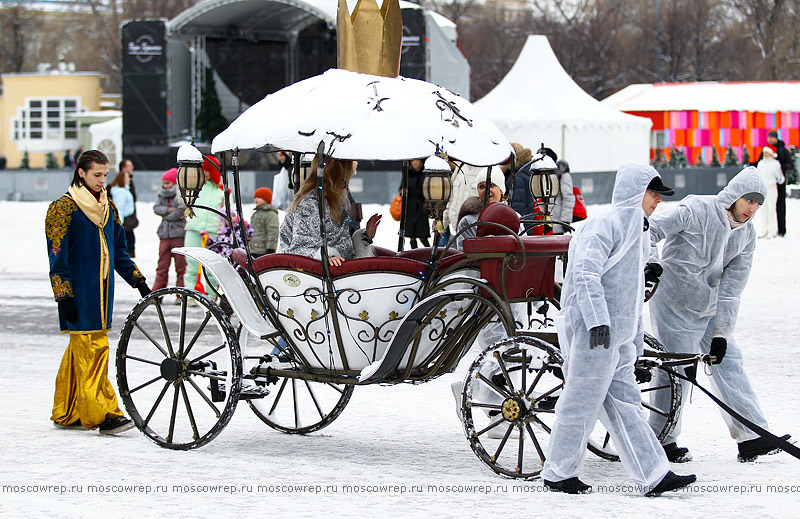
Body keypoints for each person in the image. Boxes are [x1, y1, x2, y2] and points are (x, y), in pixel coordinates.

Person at [541, 163, 695, 496]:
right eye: (653, 192)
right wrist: (597, 320)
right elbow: (584, 274)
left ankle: (653, 474)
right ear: (634, 191)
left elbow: (632, 290)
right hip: (592, 332)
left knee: (627, 406)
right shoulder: (603, 225)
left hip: (619, 337)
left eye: (659, 195)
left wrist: (635, 341)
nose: (657, 200)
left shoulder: (639, 231)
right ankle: (558, 472)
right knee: (580, 401)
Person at [646, 166, 776, 463]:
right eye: (748, 201)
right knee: (675, 370)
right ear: (734, 195)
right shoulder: (696, 209)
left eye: (758, 204)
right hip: (674, 304)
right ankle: (662, 439)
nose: (752, 209)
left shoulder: (747, 235)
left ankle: (752, 435)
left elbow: (731, 289)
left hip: (710, 307)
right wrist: (652, 265)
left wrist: (721, 335)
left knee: (729, 361)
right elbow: (650, 230)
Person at [45, 149, 151, 435]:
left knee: (80, 351)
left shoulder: (108, 207)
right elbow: (57, 257)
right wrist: (63, 296)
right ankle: (103, 414)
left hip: (102, 293)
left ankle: (66, 411)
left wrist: (137, 280)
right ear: (81, 173)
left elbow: (118, 252)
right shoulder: (62, 208)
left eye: (105, 175)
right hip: (77, 293)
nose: (103, 180)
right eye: (97, 175)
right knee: (94, 350)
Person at [279, 157, 380, 266]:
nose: (347, 185)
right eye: (344, 180)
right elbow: (301, 247)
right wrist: (326, 256)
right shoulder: (311, 204)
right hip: (315, 274)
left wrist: (365, 236)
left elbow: (342, 242)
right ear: (334, 178)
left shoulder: (334, 202)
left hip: (340, 270)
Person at [183, 156, 225, 299]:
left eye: (208, 170)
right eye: (203, 170)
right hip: (194, 228)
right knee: (191, 264)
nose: (205, 173)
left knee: (211, 266)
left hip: (213, 230)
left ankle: (212, 295)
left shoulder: (222, 191)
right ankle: (189, 295)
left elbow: (227, 211)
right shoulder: (194, 187)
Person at [152, 168, 186, 293]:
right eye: (164, 183)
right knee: (162, 265)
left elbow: (180, 211)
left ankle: (181, 292)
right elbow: (156, 208)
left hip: (178, 235)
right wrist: (169, 211)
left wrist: (165, 214)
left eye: (168, 183)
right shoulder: (161, 195)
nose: (165, 186)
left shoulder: (181, 195)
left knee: (181, 266)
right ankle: (158, 291)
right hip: (164, 235)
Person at [455, 166, 505, 249]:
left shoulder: (515, 217)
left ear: (501, 190)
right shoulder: (468, 221)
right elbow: (463, 253)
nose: (487, 190)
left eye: (492, 185)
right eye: (481, 187)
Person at [756, 131, 792, 236]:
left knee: (779, 207)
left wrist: (782, 167)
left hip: (777, 184)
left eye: (772, 137)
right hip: (766, 185)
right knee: (765, 208)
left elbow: (789, 164)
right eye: (769, 137)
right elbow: (759, 163)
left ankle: (781, 230)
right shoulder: (764, 156)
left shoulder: (782, 150)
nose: (770, 140)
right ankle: (766, 229)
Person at [754, 146, 784, 238]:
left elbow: (781, 178)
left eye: (767, 153)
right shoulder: (761, 164)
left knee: (771, 210)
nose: (765, 154)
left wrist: (778, 180)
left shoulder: (775, 164)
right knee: (763, 210)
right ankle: (764, 230)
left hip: (771, 189)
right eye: (764, 153)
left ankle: (772, 231)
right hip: (762, 190)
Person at [402, 159, 431, 249]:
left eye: (417, 161)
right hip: (410, 207)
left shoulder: (425, 174)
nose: (415, 163)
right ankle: (414, 254)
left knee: (423, 235)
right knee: (412, 235)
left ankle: (429, 253)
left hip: (422, 207)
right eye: (413, 161)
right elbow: (402, 188)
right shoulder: (407, 173)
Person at [107, 170, 136, 257]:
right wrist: (120, 223)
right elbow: (119, 208)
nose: (129, 179)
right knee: (127, 239)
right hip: (124, 220)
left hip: (127, 219)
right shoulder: (120, 192)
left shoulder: (124, 189)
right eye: (127, 177)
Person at [251, 187, 280, 257]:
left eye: (259, 197)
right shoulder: (255, 213)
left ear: (266, 199)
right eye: (255, 197)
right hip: (253, 249)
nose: (256, 199)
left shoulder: (271, 214)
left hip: (263, 251)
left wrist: (270, 249)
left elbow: (273, 233)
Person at [552, 160, 576, 234]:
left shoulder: (563, 175)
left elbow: (568, 198)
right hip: (550, 222)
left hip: (557, 222)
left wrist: (565, 220)